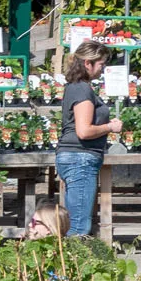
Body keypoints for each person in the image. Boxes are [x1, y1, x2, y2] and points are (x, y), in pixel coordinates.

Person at [55, 38, 121, 237]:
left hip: (75, 157)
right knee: (78, 227)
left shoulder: (76, 86)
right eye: (101, 64)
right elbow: (84, 131)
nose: (103, 69)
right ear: (87, 63)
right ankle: (71, 266)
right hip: (80, 159)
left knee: (75, 222)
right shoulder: (82, 89)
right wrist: (110, 126)